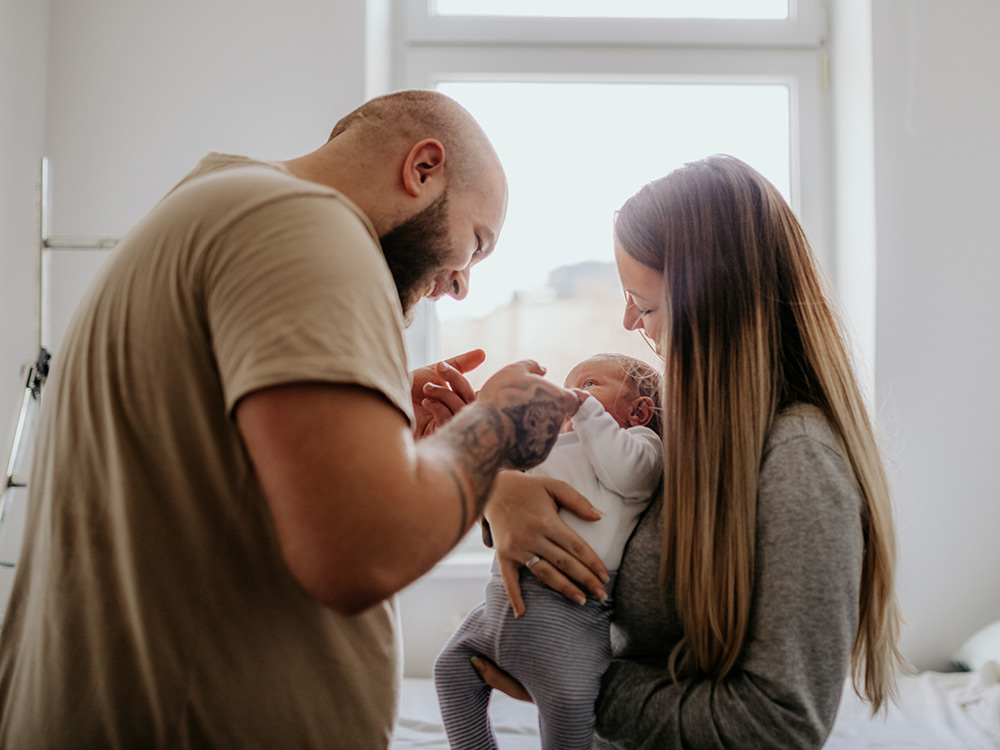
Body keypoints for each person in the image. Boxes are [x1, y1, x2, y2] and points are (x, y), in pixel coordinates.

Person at [0, 90, 579, 748]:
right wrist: (499, 424)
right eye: (475, 245)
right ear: (423, 169)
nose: (461, 284)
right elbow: (361, 548)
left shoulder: (221, 202)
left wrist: (384, 430)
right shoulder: (305, 224)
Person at [460, 155, 907, 749]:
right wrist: (499, 493)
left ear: (712, 306)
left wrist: (573, 681)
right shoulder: (692, 431)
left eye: (643, 305)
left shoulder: (799, 463)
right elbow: (598, 497)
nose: (626, 320)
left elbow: (780, 725)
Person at [434, 353, 664, 749]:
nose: (571, 393)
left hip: (567, 616)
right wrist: (481, 426)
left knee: (567, 704)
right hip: (499, 600)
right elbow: (501, 499)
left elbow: (629, 475)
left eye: (589, 384)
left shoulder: (641, 446)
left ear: (639, 410)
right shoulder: (557, 446)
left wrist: (585, 409)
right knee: (451, 670)